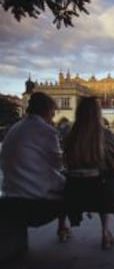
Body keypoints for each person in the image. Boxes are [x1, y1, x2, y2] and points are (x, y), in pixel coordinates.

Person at [0, 92, 70, 241]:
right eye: (53, 111)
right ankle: (62, 228)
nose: (53, 115)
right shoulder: (46, 131)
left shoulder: (14, 128)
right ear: (47, 110)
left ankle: (63, 228)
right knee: (71, 187)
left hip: (9, 197)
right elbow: (58, 165)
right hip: (36, 204)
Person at [63, 96, 114, 250]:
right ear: (98, 113)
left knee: (97, 181)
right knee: (108, 183)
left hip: (73, 192)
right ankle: (106, 232)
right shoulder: (105, 135)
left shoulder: (70, 135)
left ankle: (63, 227)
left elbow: (65, 163)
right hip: (99, 193)